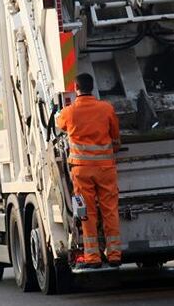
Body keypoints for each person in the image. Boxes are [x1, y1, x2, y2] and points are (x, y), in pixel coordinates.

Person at [56, 73, 121, 269]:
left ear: (76, 88)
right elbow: (116, 137)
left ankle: (92, 257)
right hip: (105, 169)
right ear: (92, 87)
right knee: (110, 210)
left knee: (88, 213)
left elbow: (59, 126)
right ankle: (115, 255)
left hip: (82, 171)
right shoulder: (106, 108)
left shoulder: (69, 112)